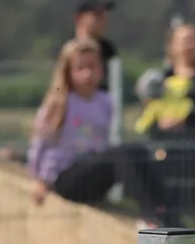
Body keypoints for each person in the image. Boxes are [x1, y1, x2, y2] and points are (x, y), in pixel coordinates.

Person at [27, 38, 178, 228]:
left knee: (136, 151)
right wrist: (39, 180)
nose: (87, 73)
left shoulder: (105, 101)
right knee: (119, 154)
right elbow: (41, 143)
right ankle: (149, 216)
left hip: (92, 169)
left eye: (93, 66)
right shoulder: (60, 103)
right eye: (80, 68)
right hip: (66, 178)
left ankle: (166, 213)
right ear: (68, 71)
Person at [133, 23, 195, 222]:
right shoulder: (159, 80)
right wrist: (162, 125)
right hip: (169, 156)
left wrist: (190, 119)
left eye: (194, 40)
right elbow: (148, 118)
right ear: (172, 46)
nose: (191, 45)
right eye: (185, 41)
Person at [72, 0, 118, 91]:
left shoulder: (107, 49)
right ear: (79, 18)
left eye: (104, 16)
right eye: (97, 15)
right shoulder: (70, 49)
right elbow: (59, 84)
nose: (102, 20)